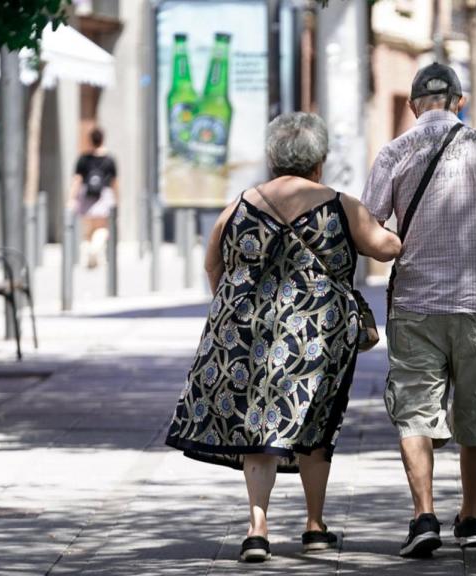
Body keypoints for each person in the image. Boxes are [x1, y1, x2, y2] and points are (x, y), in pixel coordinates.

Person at [164, 112, 401, 563]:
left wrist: (234, 308)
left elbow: (213, 262)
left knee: (258, 426)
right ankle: (315, 526)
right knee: (317, 423)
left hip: (248, 331)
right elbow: (385, 247)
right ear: (320, 160)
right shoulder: (339, 203)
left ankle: (257, 529)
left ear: (273, 158)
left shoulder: (240, 204)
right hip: (319, 334)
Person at [362, 63, 476, 559]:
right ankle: (470, 518)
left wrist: (395, 248)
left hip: (414, 306)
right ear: (459, 101)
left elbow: (371, 232)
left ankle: (423, 515)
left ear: (412, 105)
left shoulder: (393, 152)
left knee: (414, 414)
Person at [70, 127, 118, 268]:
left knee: (89, 229)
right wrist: (116, 199)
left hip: (87, 196)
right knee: (102, 228)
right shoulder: (109, 159)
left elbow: (77, 180)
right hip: (103, 195)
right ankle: (95, 251)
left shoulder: (83, 159)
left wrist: (71, 198)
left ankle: (90, 256)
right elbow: (115, 182)